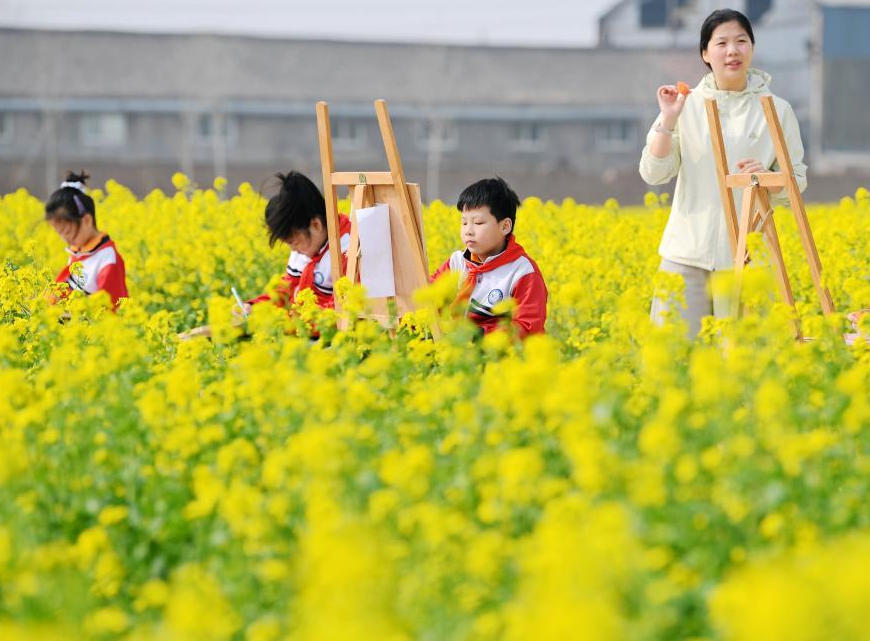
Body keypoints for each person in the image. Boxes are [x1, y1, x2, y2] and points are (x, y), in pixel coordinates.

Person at [639, 8, 807, 337]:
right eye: (721, 43)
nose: (732, 51)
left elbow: (796, 183)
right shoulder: (685, 105)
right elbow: (653, 172)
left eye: (741, 41)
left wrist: (768, 178)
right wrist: (668, 120)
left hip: (748, 260)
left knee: (742, 359)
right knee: (673, 355)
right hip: (685, 254)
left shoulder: (777, 109)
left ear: (752, 48)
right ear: (705, 53)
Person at [432, 177, 547, 338]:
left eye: (478, 223)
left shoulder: (522, 272)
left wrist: (479, 336)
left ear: (505, 226)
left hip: (498, 352)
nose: (468, 231)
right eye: (464, 223)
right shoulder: (456, 263)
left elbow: (528, 327)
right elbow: (429, 298)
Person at [245, 171, 351, 312]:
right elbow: (286, 290)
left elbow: (343, 308)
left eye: (293, 242)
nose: (293, 250)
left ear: (316, 225)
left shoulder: (347, 250)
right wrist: (255, 307)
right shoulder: (305, 249)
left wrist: (297, 318)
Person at [45, 171, 128, 310]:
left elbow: (110, 310)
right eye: (60, 233)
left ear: (87, 220)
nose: (65, 239)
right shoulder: (80, 251)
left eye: (68, 232)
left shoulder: (107, 259)